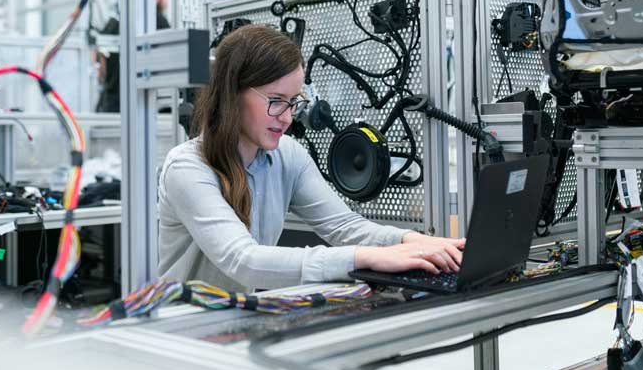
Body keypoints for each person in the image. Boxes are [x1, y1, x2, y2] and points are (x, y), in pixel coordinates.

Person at [158, 24, 465, 292]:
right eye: (276, 101)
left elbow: (344, 226)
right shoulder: (188, 167)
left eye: (294, 102)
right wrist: (365, 257)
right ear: (232, 94)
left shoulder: (287, 155)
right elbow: (244, 261)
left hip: (237, 320)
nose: (288, 117)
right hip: (184, 330)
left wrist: (414, 242)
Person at [95, 0, 171, 113]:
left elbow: (99, 65)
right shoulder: (158, 21)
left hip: (110, 106)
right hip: (142, 106)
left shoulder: (114, 22)